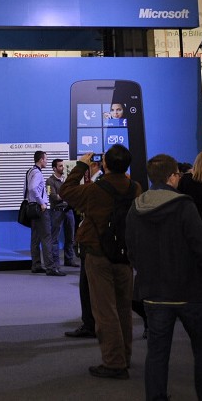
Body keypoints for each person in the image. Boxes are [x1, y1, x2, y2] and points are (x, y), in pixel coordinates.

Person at [125, 154, 202, 401]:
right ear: (173, 176)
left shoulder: (136, 207)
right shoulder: (184, 205)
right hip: (192, 291)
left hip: (154, 293)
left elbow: (132, 250)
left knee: (157, 354)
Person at [59, 144, 141, 380]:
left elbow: (66, 191)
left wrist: (81, 166)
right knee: (124, 308)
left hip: (98, 253)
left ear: (105, 164)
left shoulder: (95, 190)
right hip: (125, 254)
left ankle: (114, 363)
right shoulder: (135, 188)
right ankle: (124, 356)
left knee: (105, 311)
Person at [27, 151, 63, 276]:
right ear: (41, 160)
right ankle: (50, 268)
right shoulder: (37, 173)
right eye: (46, 159)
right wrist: (42, 202)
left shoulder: (30, 171)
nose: (47, 161)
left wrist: (31, 201)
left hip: (32, 207)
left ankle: (36, 265)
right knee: (47, 237)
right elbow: (32, 188)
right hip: (40, 209)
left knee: (35, 238)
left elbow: (26, 189)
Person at [47, 159, 77, 267]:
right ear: (54, 168)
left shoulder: (67, 179)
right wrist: (66, 195)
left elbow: (72, 194)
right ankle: (55, 262)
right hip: (57, 211)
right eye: (60, 166)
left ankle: (69, 259)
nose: (63, 167)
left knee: (70, 237)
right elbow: (52, 196)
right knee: (54, 238)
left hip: (68, 210)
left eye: (63, 165)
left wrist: (63, 196)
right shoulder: (49, 181)